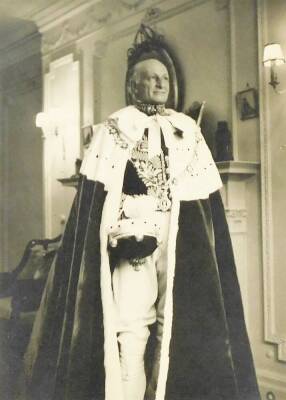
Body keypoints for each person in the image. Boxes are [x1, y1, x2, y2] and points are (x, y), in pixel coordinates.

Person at [24, 44, 261, 400]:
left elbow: (204, 202)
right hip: (130, 242)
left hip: (179, 241)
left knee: (175, 323)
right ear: (133, 86)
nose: (159, 83)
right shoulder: (113, 130)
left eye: (163, 78)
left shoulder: (188, 131)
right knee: (131, 333)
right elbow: (96, 201)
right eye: (149, 78)